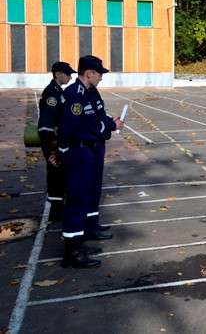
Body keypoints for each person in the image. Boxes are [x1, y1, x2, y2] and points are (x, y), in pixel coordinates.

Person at [58, 55, 123, 268]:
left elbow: (99, 115)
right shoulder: (73, 95)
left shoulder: (92, 92)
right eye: (99, 74)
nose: (101, 77)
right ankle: (72, 252)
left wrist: (110, 122)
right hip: (79, 152)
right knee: (77, 200)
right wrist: (109, 127)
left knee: (91, 192)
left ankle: (86, 233)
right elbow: (74, 128)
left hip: (93, 150)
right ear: (89, 73)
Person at [38, 61, 76, 222]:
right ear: (58, 74)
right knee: (55, 176)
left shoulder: (58, 91)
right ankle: (55, 213)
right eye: (68, 74)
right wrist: (52, 149)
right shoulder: (52, 94)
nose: (70, 77)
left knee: (60, 175)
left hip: (58, 142)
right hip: (52, 143)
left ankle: (59, 209)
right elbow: (46, 125)